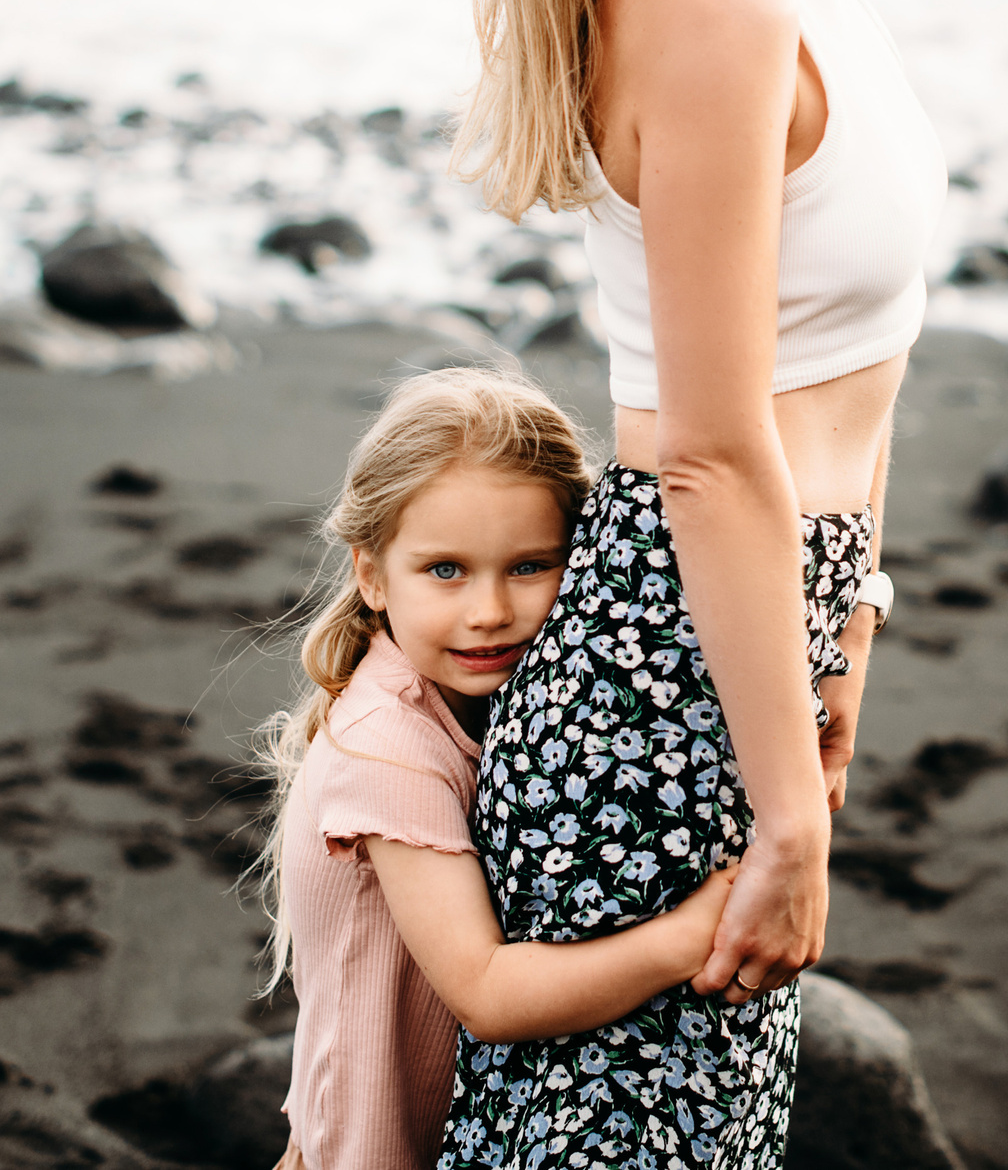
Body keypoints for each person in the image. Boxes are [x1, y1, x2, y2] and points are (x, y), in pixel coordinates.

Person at [439, 0, 948, 1163]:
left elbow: (850, 374)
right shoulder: (698, 1)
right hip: (673, 658)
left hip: (764, 620)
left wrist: (853, 631)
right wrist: (793, 814)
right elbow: (722, 451)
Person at [253, 367, 738, 1170]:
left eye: (527, 566)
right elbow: (485, 993)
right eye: (445, 569)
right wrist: (688, 937)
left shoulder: (495, 700)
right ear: (371, 573)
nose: (489, 610)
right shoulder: (385, 747)